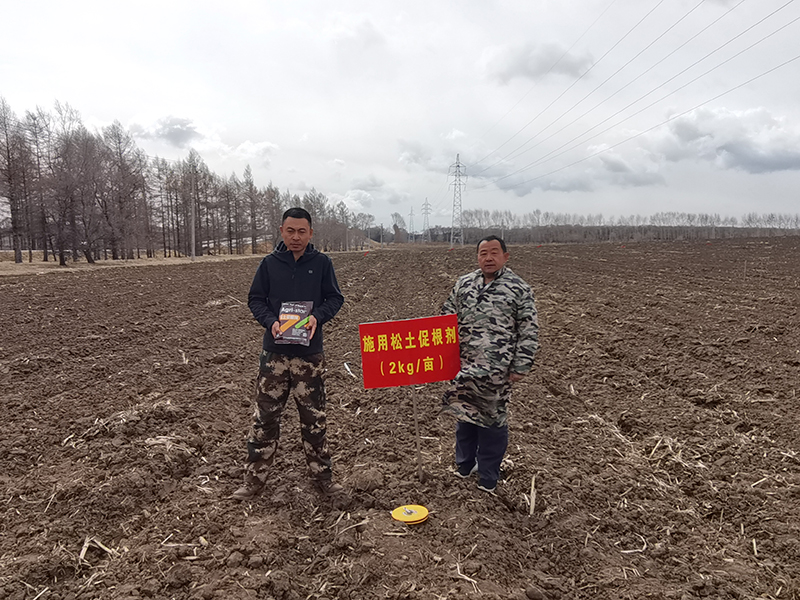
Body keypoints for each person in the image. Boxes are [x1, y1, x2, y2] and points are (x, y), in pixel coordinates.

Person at [232, 207, 345, 501]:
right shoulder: (270, 264)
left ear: (310, 233)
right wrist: (271, 323)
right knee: (265, 418)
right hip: (275, 357)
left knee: (314, 419)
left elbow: (335, 298)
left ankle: (323, 477)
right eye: (291, 231)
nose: (296, 237)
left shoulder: (321, 263)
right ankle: (254, 480)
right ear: (281, 231)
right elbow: (255, 299)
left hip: (309, 356)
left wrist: (317, 317)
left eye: (302, 231)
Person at [441, 235, 539, 493]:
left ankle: (488, 477)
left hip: (497, 369)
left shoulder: (519, 288)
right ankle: (464, 466)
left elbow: (529, 330)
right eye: (483, 253)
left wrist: (521, 365)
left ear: (505, 257)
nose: (488, 257)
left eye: (494, 252)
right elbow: (445, 318)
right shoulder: (463, 284)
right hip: (463, 367)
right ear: (477, 257)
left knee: (492, 422)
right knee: (464, 416)